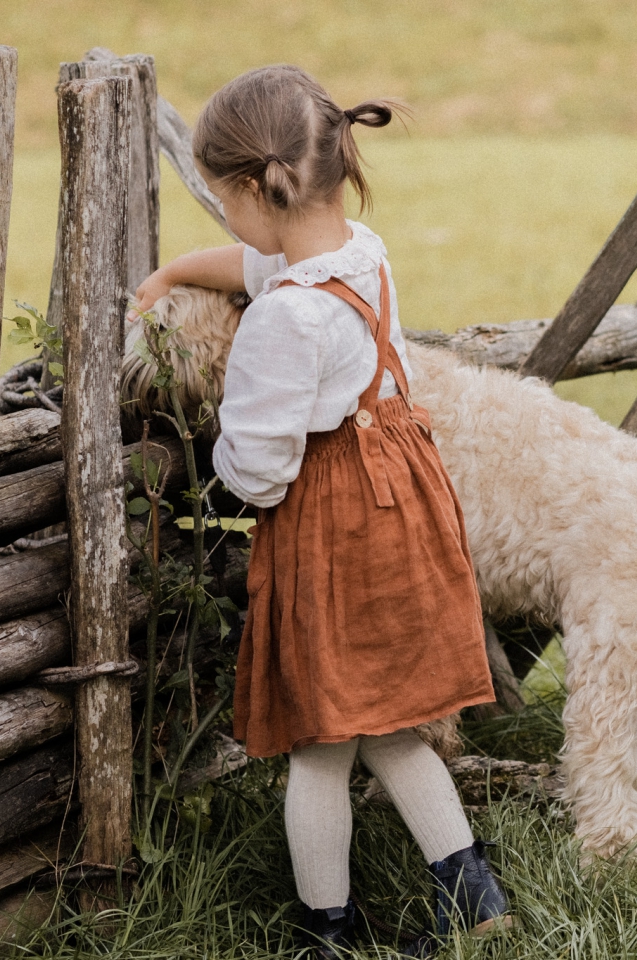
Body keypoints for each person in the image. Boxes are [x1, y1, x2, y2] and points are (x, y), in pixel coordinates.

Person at [129, 65, 510, 957]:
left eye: (222, 201)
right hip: (400, 513)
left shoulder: (283, 324)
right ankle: (475, 903)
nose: (225, 222)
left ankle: (323, 934)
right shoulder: (361, 255)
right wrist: (178, 269)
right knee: (385, 726)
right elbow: (264, 262)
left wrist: (215, 444)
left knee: (316, 743)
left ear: (254, 187)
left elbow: (260, 472)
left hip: (334, 533)